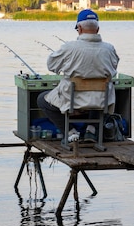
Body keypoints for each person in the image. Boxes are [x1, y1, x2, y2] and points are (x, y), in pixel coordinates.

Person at [37, 9, 119, 142]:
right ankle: (91, 130)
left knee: (42, 99)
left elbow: (51, 66)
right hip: (100, 101)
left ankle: (70, 133)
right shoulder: (109, 49)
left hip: (72, 100)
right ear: (97, 29)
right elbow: (113, 68)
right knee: (97, 97)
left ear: (79, 28)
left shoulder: (69, 47)